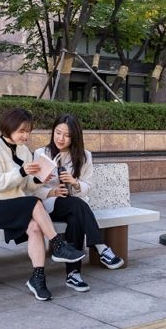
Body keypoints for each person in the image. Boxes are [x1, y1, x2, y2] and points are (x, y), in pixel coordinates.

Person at [0, 108, 86, 301]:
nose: (25, 135)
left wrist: (41, 178)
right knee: (34, 203)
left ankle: (38, 278)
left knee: (35, 227)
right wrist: (22, 171)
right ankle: (58, 244)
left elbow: (27, 185)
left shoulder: (24, 151)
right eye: (21, 131)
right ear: (8, 128)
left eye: (28, 131)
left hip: (15, 206)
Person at [34, 114, 124, 293]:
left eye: (66, 135)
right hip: (49, 206)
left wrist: (74, 183)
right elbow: (32, 189)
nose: (60, 138)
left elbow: (87, 187)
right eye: (57, 133)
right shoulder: (41, 154)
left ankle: (73, 274)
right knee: (77, 206)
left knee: (75, 214)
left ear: (75, 137)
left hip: (74, 206)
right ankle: (101, 247)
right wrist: (52, 191)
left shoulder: (84, 156)